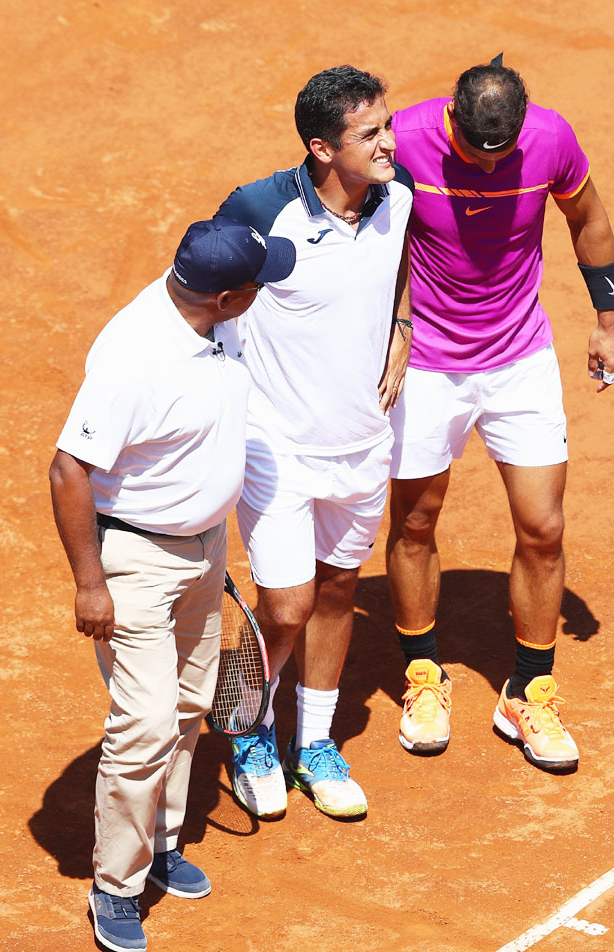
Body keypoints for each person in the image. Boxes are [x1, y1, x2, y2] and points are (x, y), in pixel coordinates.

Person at [49, 218, 296, 952]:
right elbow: (68, 470)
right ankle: (114, 886)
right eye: (257, 286)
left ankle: (162, 841)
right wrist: (90, 582)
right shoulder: (135, 358)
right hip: (137, 564)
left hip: (203, 550)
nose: (263, 292)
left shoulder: (212, 318)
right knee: (147, 721)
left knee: (190, 703)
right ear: (224, 297)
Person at [386, 58, 614, 771]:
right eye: (474, 152)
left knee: (544, 527)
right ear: (453, 118)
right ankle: (423, 676)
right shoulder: (402, 141)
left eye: (502, 155)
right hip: (427, 362)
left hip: (519, 356)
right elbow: (356, 234)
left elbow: (588, 217)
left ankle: (528, 689)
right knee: (417, 520)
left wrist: (609, 320)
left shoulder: (550, 141)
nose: (488, 167)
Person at [212, 65, 414, 820]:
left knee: (336, 591)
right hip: (278, 448)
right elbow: (200, 289)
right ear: (323, 148)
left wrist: (404, 324)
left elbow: (401, 269)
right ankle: (246, 727)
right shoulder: (262, 209)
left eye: (387, 126)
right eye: (371, 134)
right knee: (287, 603)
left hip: (364, 442)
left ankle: (315, 744)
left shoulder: (398, 198)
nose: (389, 143)